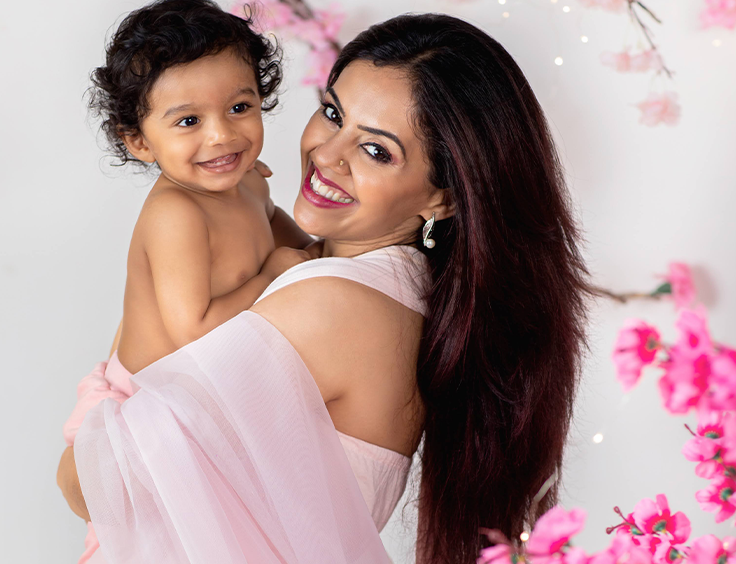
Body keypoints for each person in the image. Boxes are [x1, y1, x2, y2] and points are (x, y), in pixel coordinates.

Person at [58, 12, 590, 564]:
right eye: (333, 114)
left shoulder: (333, 307)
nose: (327, 155)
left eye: (377, 150)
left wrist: (103, 409)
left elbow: (85, 484)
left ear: (445, 198)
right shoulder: (402, 288)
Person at [61, 1, 312, 561]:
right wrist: (275, 272)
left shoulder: (249, 183)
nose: (222, 135)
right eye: (188, 121)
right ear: (140, 142)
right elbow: (193, 328)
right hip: (145, 406)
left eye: (240, 107)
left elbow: (296, 247)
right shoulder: (177, 213)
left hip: (200, 398)